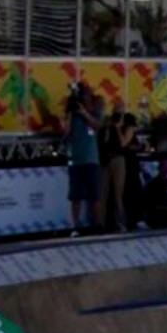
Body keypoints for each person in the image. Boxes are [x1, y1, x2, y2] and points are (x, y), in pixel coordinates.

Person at [62, 91, 102, 234]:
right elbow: (66, 133)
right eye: (81, 100)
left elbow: (97, 126)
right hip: (76, 160)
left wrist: (84, 113)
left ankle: (97, 225)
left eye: (86, 100)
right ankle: (75, 226)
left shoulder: (95, 113)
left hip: (91, 160)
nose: (84, 102)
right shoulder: (72, 115)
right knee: (75, 196)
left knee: (94, 195)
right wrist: (69, 113)